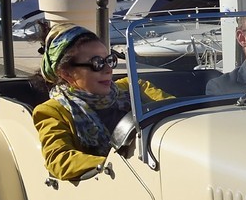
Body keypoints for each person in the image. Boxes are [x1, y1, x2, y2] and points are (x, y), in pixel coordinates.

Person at [32, 24, 162, 181]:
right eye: (97, 63)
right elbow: (59, 160)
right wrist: (117, 165)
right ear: (66, 73)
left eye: (110, 60)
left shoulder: (135, 88)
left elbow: (177, 112)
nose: (108, 70)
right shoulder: (52, 111)